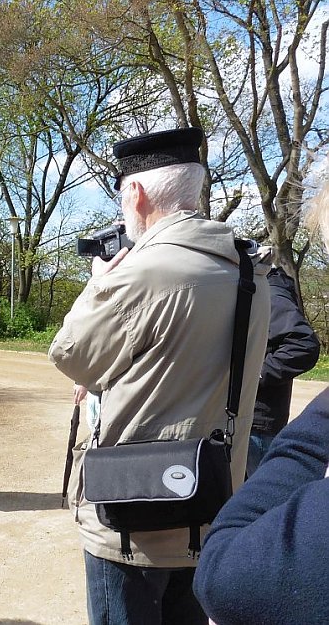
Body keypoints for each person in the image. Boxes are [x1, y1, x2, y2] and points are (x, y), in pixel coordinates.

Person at [48, 127, 271, 625]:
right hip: (211, 502)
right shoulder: (248, 272)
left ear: (136, 191)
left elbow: (72, 357)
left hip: (133, 513)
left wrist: (96, 288)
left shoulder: (144, 273)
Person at [192, 181, 329, 624]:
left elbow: (302, 345)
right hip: (240, 424)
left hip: (261, 425)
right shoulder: (233, 285)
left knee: (256, 535)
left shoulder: (267, 284)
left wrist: (247, 380)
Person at [246, 265, 319, 477]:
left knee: (256, 502)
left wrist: (253, 375)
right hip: (250, 421)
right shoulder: (256, 289)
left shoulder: (270, 292)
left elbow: (304, 345)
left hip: (258, 425)